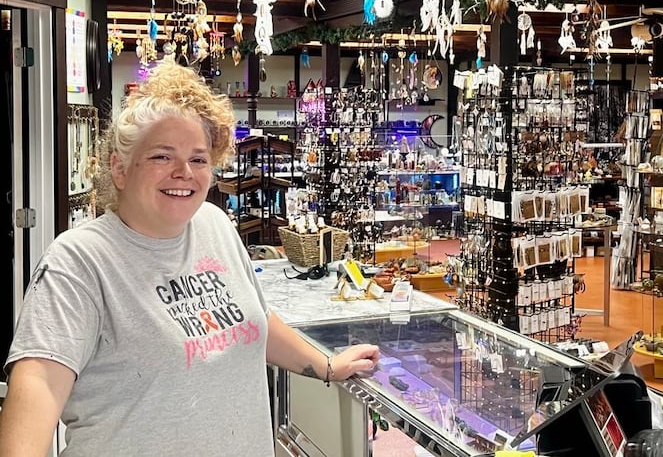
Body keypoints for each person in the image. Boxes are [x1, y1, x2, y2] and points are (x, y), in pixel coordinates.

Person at [0, 62, 379, 456]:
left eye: (198, 159)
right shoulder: (78, 262)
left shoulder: (215, 224)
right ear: (119, 168)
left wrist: (327, 366)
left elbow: (255, 322)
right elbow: (38, 387)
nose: (184, 172)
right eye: (162, 157)